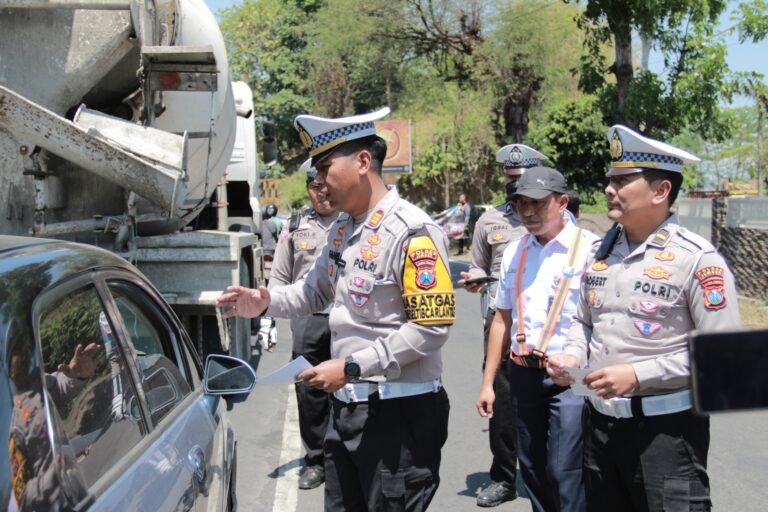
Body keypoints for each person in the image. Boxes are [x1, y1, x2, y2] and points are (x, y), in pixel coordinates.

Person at [217, 107, 454, 512]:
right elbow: (313, 293)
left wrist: (350, 367)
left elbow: (431, 328)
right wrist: (266, 301)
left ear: (363, 162)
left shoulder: (412, 231)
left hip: (396, 415)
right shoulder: (345, 228)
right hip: (347, 411)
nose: (320, 181)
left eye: (326, 166)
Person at [547, 125, 742, 512]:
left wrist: (639, 375)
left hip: (665, 436)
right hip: (600, 429)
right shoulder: (601, 251)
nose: (609, 188)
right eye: (609, 179)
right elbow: (583, 321)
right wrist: (571, 356)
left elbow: (725, 357)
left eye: (622, 180)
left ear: (660, 191)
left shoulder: (697, 259)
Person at [476, 166, 597, 512]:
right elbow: (502, 317)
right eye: (521, 204)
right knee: (531, 468)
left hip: (569, 377)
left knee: (566, 470)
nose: (527, 212)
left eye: (537, 204)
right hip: (523, 373)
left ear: (561, 203)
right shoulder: (516, 250)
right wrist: (488, 384)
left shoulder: (590, 249)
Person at [459, 143, 546, 508]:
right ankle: (505, 478)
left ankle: (550, 475)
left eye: (521, 178)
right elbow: (478, 266)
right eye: (510, 180)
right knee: (502, 401)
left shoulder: (553, 215)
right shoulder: (489, 221)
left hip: (545, 323)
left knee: (552, 402)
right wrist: (474, 279)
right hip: (500, 323)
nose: (515, 186)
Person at [267, 158, 339, 490]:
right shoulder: (295, 225)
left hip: (346, 319)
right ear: (309, 188)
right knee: (310, 390)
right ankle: (316, 460)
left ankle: (345, 454)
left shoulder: (352, 220)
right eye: (315, 187)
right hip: (307, 320)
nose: (322, 193)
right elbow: (280, 276)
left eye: (326, 185)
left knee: (349, 386)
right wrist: (269, 321)